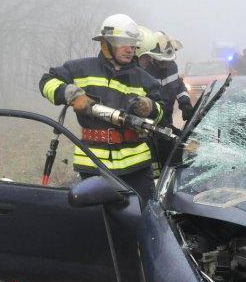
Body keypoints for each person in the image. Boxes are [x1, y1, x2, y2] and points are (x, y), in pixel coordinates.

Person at [39, 14, 164, 204]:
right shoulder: (80, 69)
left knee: (144, 218)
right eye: (124, 43)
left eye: (133, 44)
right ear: (106, 43)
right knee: (97, 221)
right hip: (93, 164)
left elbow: (161, 110)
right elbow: (46, 82)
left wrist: (150, 107)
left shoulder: (144, 79)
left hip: (136, 167)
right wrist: (71, 94)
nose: (130, 49)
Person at [136, 27, 192, 171]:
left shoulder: (172, 67)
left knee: (173, 154)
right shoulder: (143, 71)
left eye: (167, 61)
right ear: (152, 57)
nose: (165, 64)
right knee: (154, 162)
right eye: (161, 61)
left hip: (167, 120)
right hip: (149, 127)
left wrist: (185, 103)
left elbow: (179, 86)